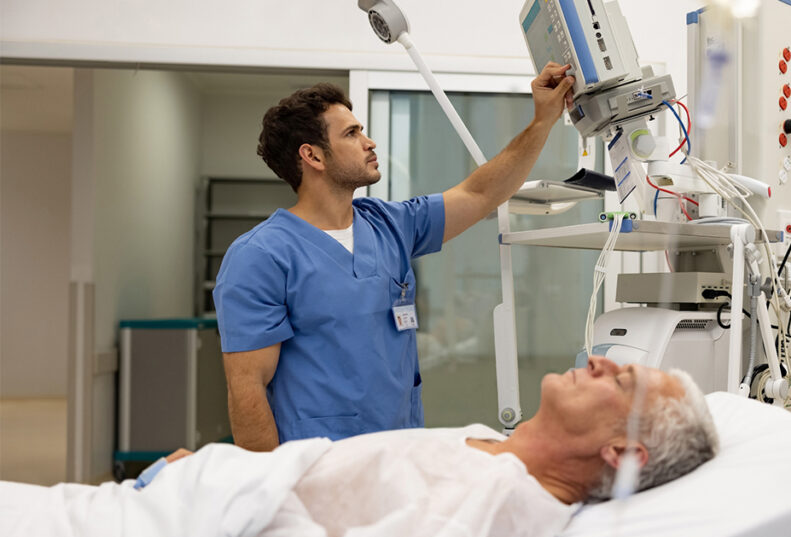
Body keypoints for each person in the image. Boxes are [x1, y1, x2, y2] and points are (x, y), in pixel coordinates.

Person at [0, 358, 719, 537]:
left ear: (623, 454)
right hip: (138, 516)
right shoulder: (491, 447)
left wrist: (228, 488)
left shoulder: (500, 499)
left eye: (620, 380)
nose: (599, 360)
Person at [213, 62, 576, 450]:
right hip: (320, 462)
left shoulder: (390, 224)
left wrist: (543, 121)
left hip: (402, 450)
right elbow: (247, 390)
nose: (369, 142)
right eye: (352, 133)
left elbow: (480, 193)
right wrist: (272, 482)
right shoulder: (260, 256)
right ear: (313, 156)